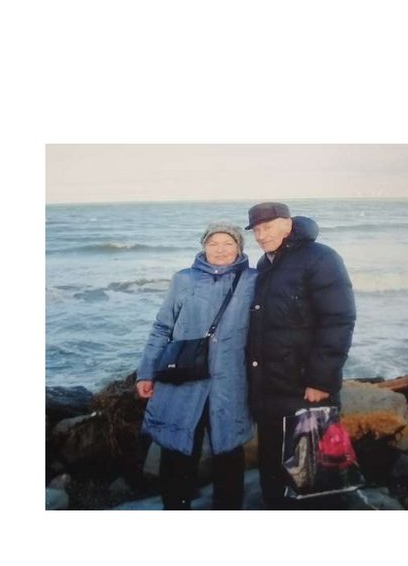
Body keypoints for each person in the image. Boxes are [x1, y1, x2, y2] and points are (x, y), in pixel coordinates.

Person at [135, 222, 256, 510]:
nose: (220, 250)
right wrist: (146, 373)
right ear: (203, 247)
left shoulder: (253, 280)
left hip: (231, 381)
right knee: (177, 448)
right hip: (183, 379)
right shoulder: (184, 279)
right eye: (213, 243)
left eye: (228, 243)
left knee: (229, 450)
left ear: (239, 248)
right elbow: (162, 327)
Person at [244, 202, 356, 508]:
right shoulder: (266, 263)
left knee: (312, 471)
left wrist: (321, 380)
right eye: (256, 229)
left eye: (267, 227)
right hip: (270, 386)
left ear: (287, 224)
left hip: (305, 386)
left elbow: (338, 320)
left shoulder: (321, 258)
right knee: (273, 462)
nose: (261, 235)